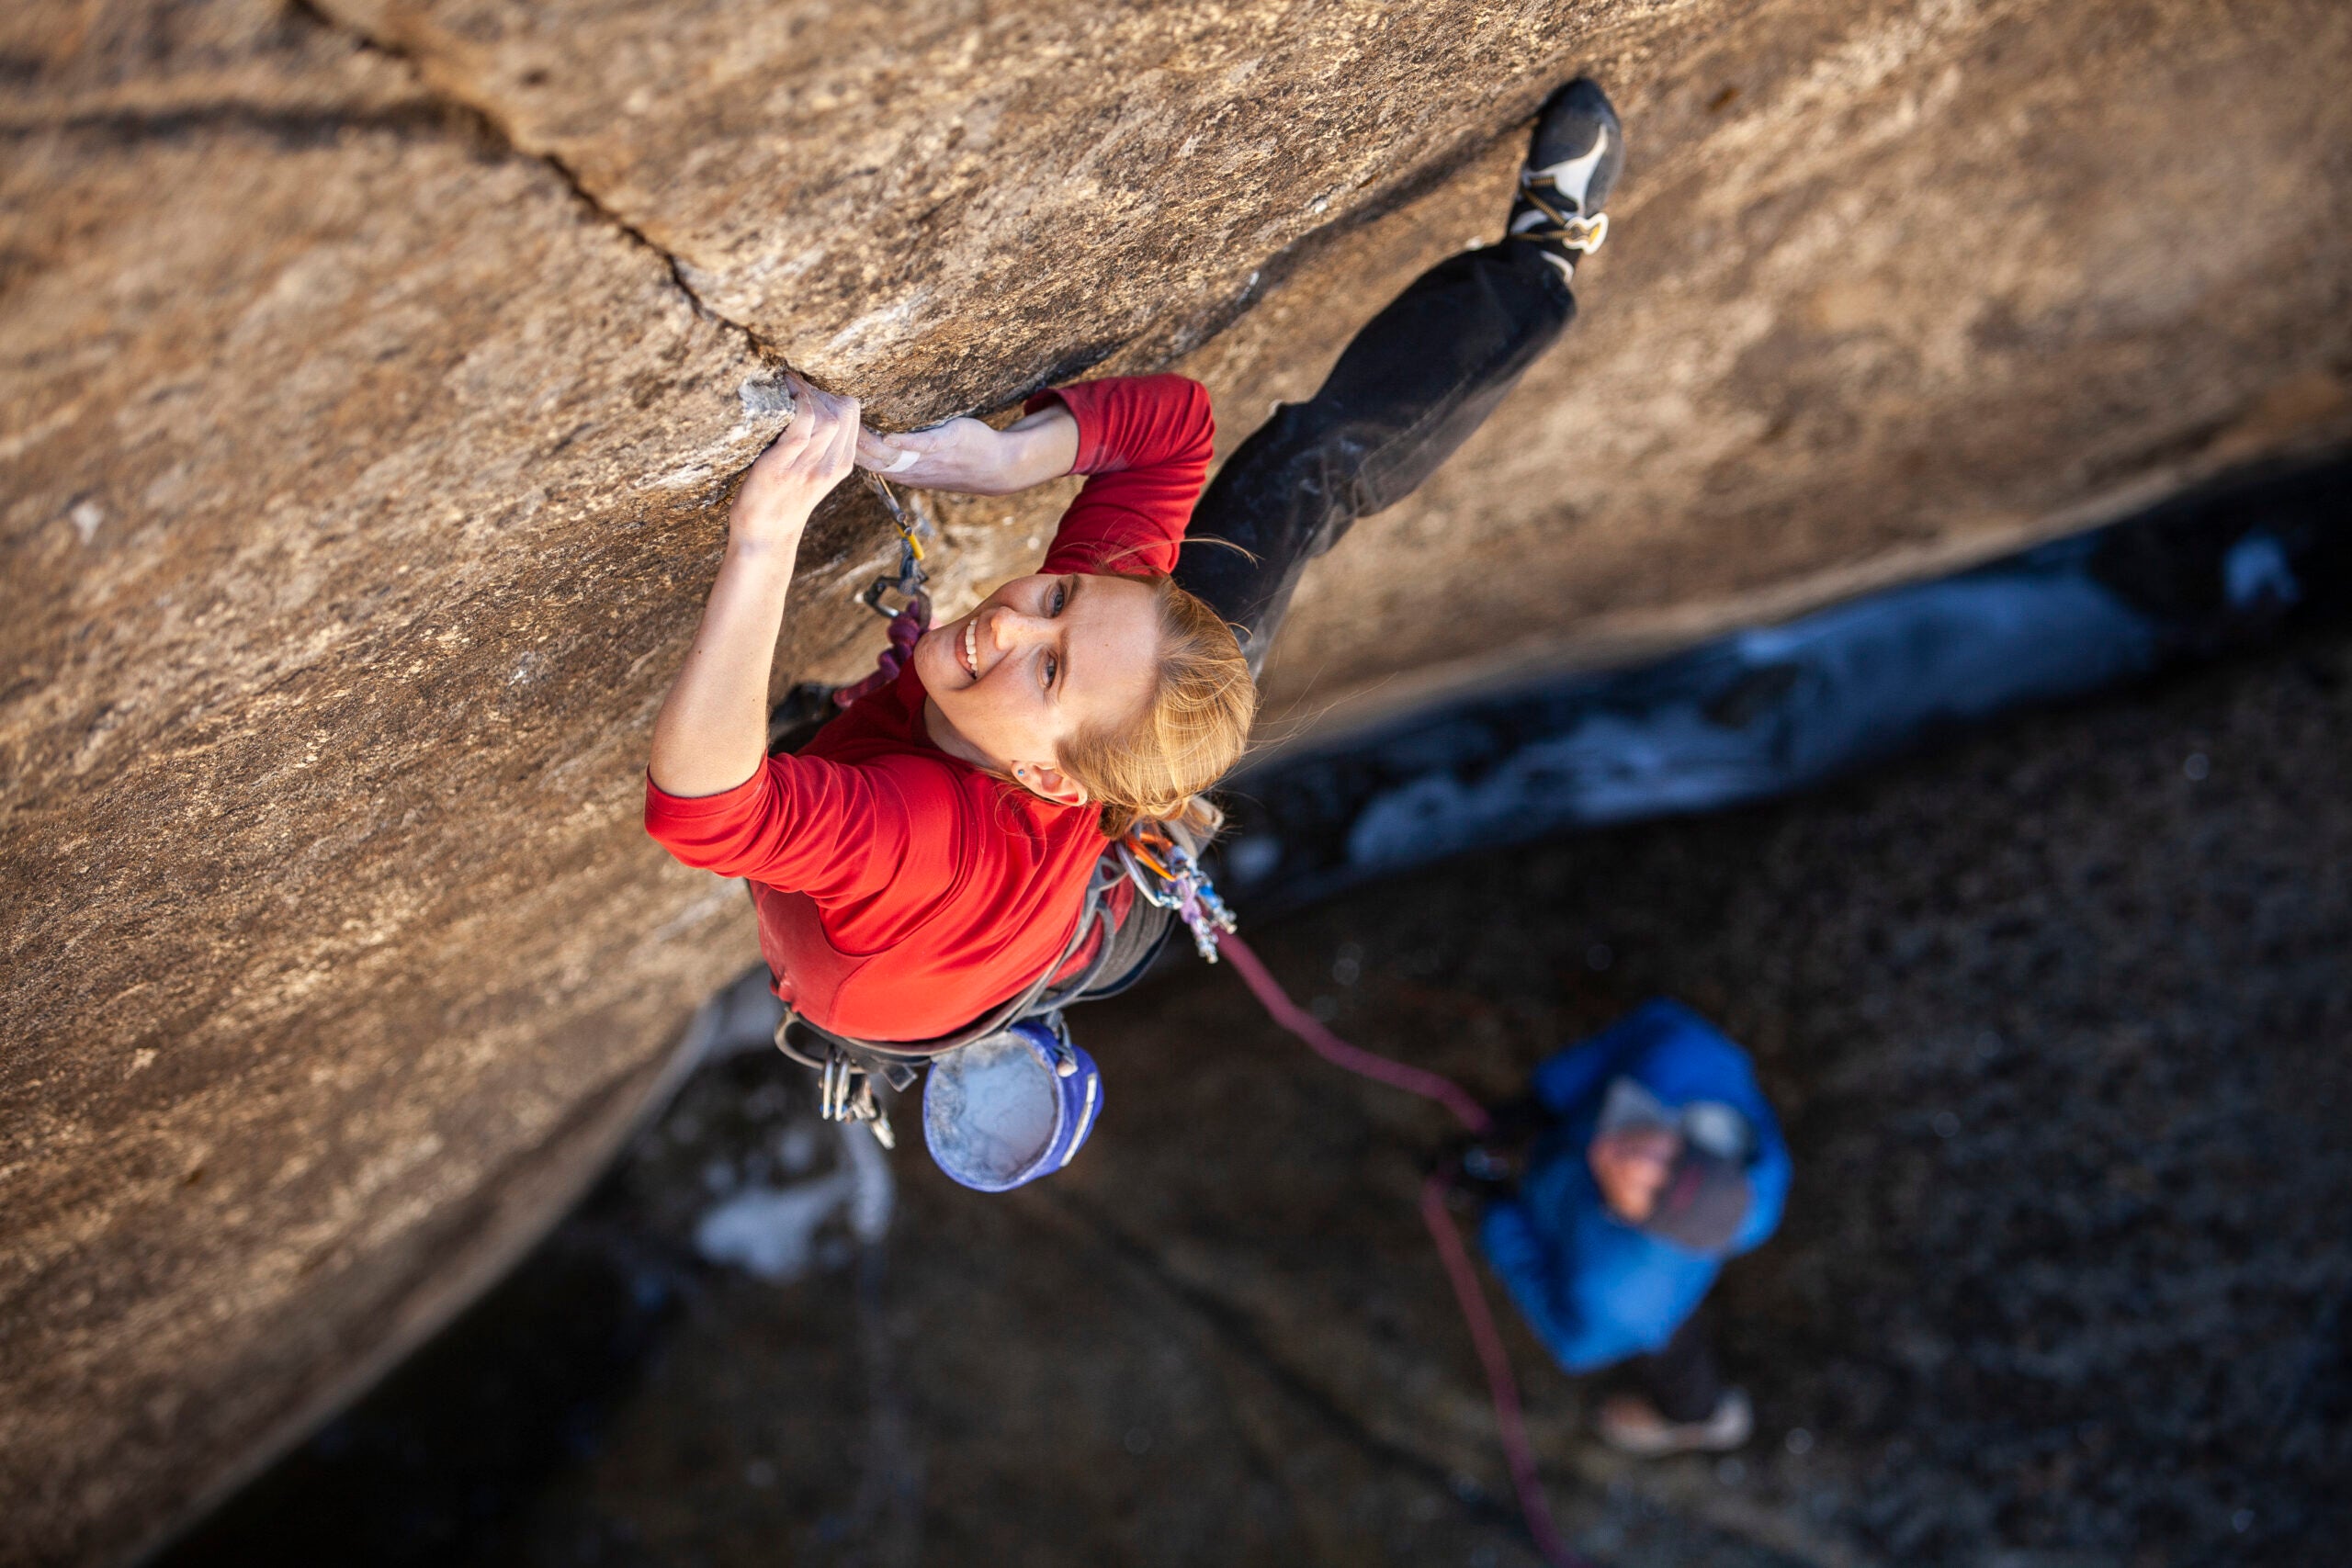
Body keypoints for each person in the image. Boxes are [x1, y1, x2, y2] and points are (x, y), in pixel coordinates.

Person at [643, 79, 1628, 1166]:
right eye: (1058, 594)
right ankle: (1541, 258)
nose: (1010, 622)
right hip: (1068, 803)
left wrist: (766, 536)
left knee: (1008, 811)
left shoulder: (931, 834)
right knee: (1299, 480)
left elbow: (705, 814)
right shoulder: (1110, 647)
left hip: (1022, 921)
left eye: (1049, 668)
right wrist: (1005, 458)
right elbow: (1173, 435)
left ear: (1060, 783)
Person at [1473, 999, 1792, 1454]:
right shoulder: (1679, 1062)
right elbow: (1655, 1023)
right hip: (1634, 1257)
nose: (1632, 1159)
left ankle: (1696, 1416)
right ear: (1688, 1137)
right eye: (1665, 1158)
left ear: (1634, 1224)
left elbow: (1573, 1340)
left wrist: (1498, 1213)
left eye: (1641, 1188)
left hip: (1653, 1300)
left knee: (1668, 1343)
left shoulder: (1620, 1296)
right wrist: (1549, 1094)